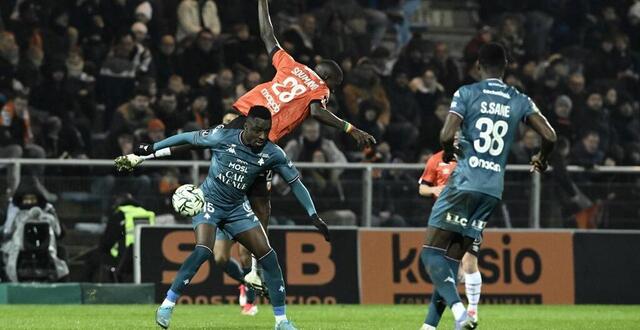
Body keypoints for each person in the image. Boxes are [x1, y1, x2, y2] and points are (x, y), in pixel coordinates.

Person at [131, 0, 376, 316]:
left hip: (238, 118)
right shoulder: (320, 87)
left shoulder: (290, 64)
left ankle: (247, 274)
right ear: (329, 79)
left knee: (203, 146)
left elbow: (267, 35)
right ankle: (254, 271)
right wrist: (348, 126)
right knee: (261, 209)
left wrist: (262, 3)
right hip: (260, 143)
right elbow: (316, 110)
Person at [116, 106, 330, 330]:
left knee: (269, 257)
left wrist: (313, 215)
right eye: (257, 130)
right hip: (209, 203)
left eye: (266, 131)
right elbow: (187, 138)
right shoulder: (222, 137)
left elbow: (295, 183)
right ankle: (168, 304)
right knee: (203, 250)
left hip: (237, 209)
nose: (261, 136)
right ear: (246, 125)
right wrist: (151, 148)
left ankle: (281, 322)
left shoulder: (272, 153)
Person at [419, 43, 556, 330]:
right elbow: (550, 135)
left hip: (464, 183)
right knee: (452, 261)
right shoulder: (519, 98)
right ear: (505, 67)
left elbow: (446, 133)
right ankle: (430, 327)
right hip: (492, 190)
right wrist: (541, 158)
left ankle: (461, 313)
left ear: (478, 66)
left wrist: (446, 152)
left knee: (431, 254)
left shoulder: (467, 93)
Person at [418, 141, 483, 324]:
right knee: (447, 271)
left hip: (468, 216)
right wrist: (433, 189)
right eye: (454, 136)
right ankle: (434, 324)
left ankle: (471, 311)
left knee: (469, 262)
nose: (457, 139)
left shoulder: (473, 159)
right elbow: (422, 188)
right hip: (443, 220)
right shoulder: (436, 159)